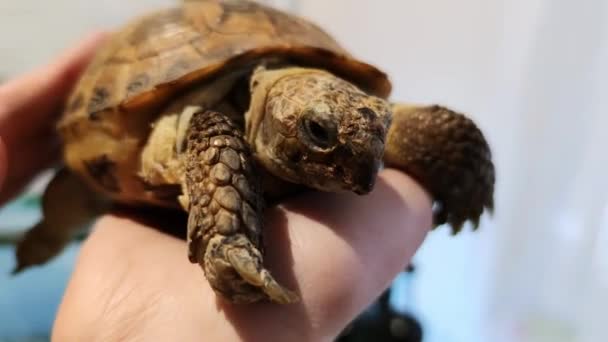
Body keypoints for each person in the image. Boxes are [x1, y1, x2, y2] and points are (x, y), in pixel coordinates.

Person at [0, 33, 432, 341]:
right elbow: (212, 136)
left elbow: (422, 128)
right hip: (164, 145)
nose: (362, 162)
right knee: (62, 211)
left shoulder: (341, 114)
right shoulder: (213, 128)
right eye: (317, 131)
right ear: (267, 108)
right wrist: (228, 241)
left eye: (380, 122)